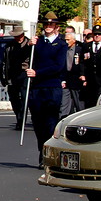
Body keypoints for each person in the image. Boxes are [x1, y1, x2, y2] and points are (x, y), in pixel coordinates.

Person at [26, 14, 70, 157]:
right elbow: (20, 57)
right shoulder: (37, 43)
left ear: (56, 27)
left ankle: (49, 154)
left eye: (51, 25)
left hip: (52, 87)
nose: (48, 27)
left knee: (50, 122)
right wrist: (28, 45)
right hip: (37, 88)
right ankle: (42, 150)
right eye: (45, 25)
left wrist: (37, 72)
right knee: (38, 122)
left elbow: (58, 66)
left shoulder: (62, 44)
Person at [4, 27, 32, 130]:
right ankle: (19, 117)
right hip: (13, 74)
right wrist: (4, 75)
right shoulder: (10, 46)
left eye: (19, 36)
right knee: (14, 98)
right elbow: (6, 61)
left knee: (25, 98)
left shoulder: (30, 44)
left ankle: (22, 119)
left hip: (25, 73)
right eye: (16, 36)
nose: (18, 38)